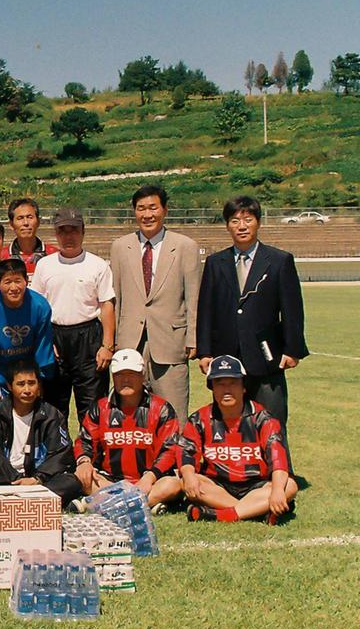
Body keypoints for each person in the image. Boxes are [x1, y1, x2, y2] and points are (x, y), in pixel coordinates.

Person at [196, 195, 307, 435]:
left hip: (267, 358)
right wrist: (205, 351)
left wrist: (292, 349)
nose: (242, 226)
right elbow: (206, 310)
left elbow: (292, 310)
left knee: (273, 424)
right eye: (235, 220)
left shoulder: (279, 261)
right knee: (228, 424)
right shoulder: (216, 263)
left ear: (258, 222)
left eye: (248, 219)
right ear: (227, 225)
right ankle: (232, 470)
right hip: (227, 358)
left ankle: (280, 471)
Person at [109, 185, 201, 423]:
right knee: (129, 413)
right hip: (130, 341)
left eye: (153, 207)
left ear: (165, 210)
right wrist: (113, 341)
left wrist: (193, 338)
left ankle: (176, 460)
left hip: (171, 342)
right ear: (134, 212)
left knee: (174, 413)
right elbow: (116, 297)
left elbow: (193, 297)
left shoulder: (185, 246)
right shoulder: (120, 247)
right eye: (141, 209)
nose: (147, 214)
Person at [180, 355, 297, 524]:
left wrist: (278, 491)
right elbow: (187, 452)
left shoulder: (263, 419)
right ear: (211, 387)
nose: (227, 389)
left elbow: (278, 460)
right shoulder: (199, 418)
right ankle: (256, 511)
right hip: (218, 485)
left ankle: (223, 515)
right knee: (187, 480)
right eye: (220, 383)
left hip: (256, 485)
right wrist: (189, 476)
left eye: (233, 382)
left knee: (289, 486)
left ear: (243, 387)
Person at [31, 208, 115, 424]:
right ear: (56, 234)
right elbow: (37, 308)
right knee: (53, 406)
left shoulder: (97, 265)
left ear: (83, 231)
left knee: (92, 406)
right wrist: (45, 341)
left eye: (74, 230)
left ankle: (91, 455)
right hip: (55, 337)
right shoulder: (45, 265)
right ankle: (56, 455)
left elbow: (107, 304)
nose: (68, 236)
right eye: (63, 231)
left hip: (88, 337)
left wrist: (107, 345)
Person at [73, 349, 183, 513]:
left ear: (142, 375)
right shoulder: (100, 408)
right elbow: (85, 441)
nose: (125, 380)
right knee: (83, 478)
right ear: (112, 377)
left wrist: (149, 477)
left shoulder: (162, 409)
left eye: (131, 374)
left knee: (173, 485)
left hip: (150, 480)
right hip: (109, 481)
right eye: (119, 375)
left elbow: (170, 449)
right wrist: (84, 462)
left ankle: (107, 505)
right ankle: (144, 504)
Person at [0, 359, 81, 505]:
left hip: (37, 479)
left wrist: (37, 479)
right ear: (9, 386)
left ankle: (19, 500)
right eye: (21, 384)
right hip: (5, 479)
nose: (27, 390)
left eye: (32, 383)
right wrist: (15, 479)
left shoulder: (51, 415)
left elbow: (60, 453)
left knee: (71, 482)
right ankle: (38, 501)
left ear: (39, 386)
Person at [0, 259, 55, 418]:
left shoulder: (40, 306)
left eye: (18, 281)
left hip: (28, 373)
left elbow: (43, 346)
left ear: (26, 281)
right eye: (7, 282)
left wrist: (41, 380)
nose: (13, 288)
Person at [0, 197, 58, 274]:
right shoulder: (1, 257)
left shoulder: (54, 255)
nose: (26, 223)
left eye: (30, 217)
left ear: (38, 222)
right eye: (20, 218)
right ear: (11, 224)